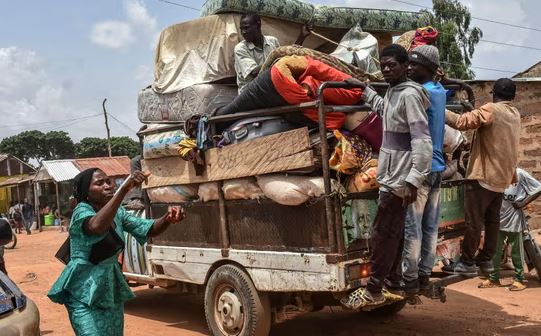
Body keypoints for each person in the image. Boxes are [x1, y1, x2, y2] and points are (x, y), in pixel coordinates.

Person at [342, 44, 432, 308]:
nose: (386, 69)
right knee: (393, 232)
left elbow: (422, 141)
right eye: (383, 65)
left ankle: (373, 288)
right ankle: (392, 280)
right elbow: (385, 111)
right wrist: (364, 89)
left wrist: (413, 179)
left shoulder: (410, 96)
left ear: (406, 66)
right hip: (391, 175)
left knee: (383, 232)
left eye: (392, 64)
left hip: (400, 179)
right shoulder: (395, 92)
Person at [48, 168, 184, 336]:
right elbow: (96, 227)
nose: (108, 185)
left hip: (109, 289)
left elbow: (147, 229)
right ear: (86, 193)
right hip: (82, 291)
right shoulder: (82, 211)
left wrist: (167, 219)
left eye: (108, 181)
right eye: (99, 183)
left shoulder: (117, 212)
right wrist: (123, 190)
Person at [443, 78, 521, 276]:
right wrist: (473, 109)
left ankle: (467, 261)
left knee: (474, 221)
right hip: (502, 177)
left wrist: (437, 107)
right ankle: (485, 260)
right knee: (492, 221)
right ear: (512, 96)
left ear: (494, 94)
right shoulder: (514, 113)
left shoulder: (491, 109)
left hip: (484, 175)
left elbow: (461, 123)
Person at [402, 45, 446, 294]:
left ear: (428, 68)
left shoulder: (420, 94)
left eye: (414, 64)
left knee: (413, 226)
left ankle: (409, 277)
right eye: (408, 63)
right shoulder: (438, 91)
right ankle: (424, 273)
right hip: (438, 166)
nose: (409, 68)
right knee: (431, 225)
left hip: (422, 168)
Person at [478, 168, 541, 290]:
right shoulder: (495, 172)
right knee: (495, 250)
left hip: (514, 219)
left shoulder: (520, 173)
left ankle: (520, 279)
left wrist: (523, 203)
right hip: (497, 218)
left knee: (516, 251)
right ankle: (493, 278)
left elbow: (538, 188)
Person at [234, 12, 311, 93]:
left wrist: (302, 36)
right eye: (241, 29)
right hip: (250, 91)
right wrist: (278, 60)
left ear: (258, 25)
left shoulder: (272, 41)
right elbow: (255, 73)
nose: (243, 32)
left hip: (271, 85)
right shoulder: (240, 48)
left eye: (246, 28)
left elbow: (285, 57)